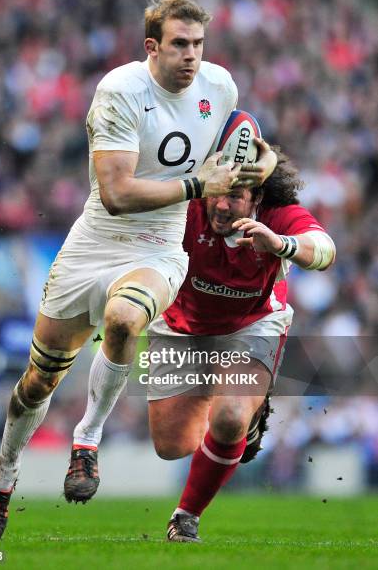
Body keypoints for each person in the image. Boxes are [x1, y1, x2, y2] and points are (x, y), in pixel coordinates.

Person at [0, 0, 277, 540]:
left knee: (123, 319)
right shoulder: (119, 90)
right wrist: (195, 185)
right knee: (37, 383)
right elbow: (115, 194)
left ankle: (86, 443)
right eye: (180, 44)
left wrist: (266, 164)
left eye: (199, 44)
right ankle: (2, 477)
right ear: (152, 47)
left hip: (158, 248)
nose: (192, 56)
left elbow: (252, 143)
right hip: (94, 244)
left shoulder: (220, 86)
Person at [145, 148, 336, 542]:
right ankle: (233, 419)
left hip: (252, 323)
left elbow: (325, 250)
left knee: (230, 416)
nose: (222, 204)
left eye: (235, 196)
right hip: (182, 326)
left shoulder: (279, 216)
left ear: (258, 198)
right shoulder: (187, 206)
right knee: (171, 445)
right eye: (218, 192)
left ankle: (186, 516)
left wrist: (281, 244)